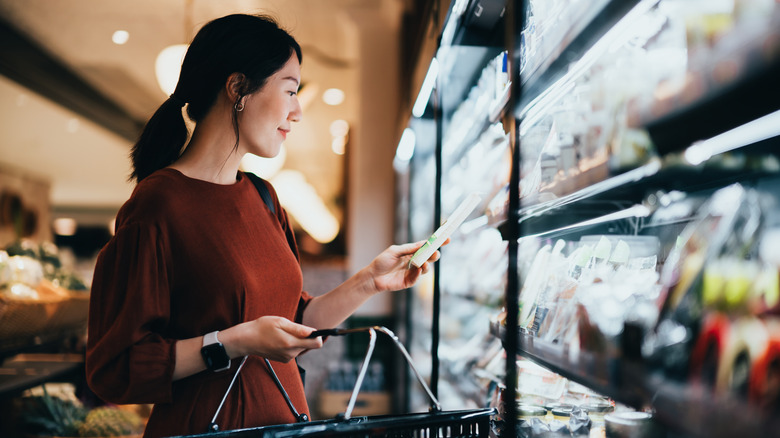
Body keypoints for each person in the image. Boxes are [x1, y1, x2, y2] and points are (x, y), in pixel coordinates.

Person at [85, 13, 441, 438]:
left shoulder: (263, 197)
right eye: (290, 90)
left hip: (286, 424)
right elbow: (115, 367)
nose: (297, 112)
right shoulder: (158, 204)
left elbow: (295, 321)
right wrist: (233, 341)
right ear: (237, 88)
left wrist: (371, 281)